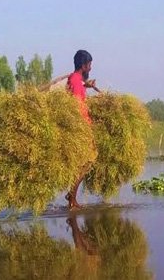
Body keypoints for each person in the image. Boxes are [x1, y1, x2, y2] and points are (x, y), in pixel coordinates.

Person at [65, 50, 98, 209]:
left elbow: (76, 87)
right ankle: (71, 196)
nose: (90, 68)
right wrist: (85, 129)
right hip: (82, 128)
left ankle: (71, 195)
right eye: (89, 65)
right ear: (83, 65)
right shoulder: (76, 81)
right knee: (88, 162)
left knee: (85, 163)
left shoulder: (75, 79)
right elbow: (77, 106)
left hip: (82, 127)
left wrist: (88, 85)